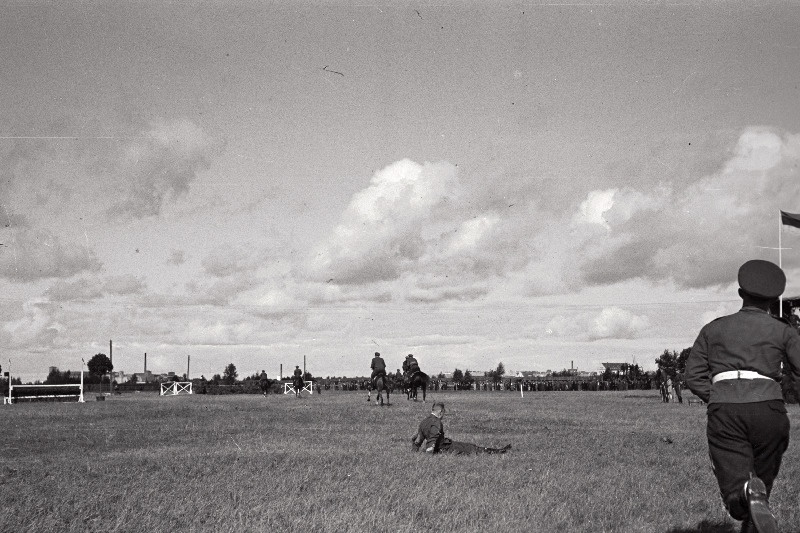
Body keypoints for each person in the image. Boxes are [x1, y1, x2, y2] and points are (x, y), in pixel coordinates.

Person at [686, 259, 800, 533]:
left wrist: (716, 396)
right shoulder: (784, 330)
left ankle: (745, 498)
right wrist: (789, 393)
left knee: (738, 491)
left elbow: (693, 375)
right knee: (762, 486)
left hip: (726, 410)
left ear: (740, 293)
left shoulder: (714, 329)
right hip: (770, 411)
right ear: (774, 299)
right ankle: (755, 511)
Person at [411, 402, 511, 455]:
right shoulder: (437, 423)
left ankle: (496, 451)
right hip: (445, 448)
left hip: (444, 446)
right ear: (440, 412)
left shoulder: (424, 422)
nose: (443, 416)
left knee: (468, 446)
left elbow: (418, 440)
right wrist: (429, 455)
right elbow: (432, 442)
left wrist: (414, 451)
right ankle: (497, 451)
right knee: (471, 448)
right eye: (443, 413)